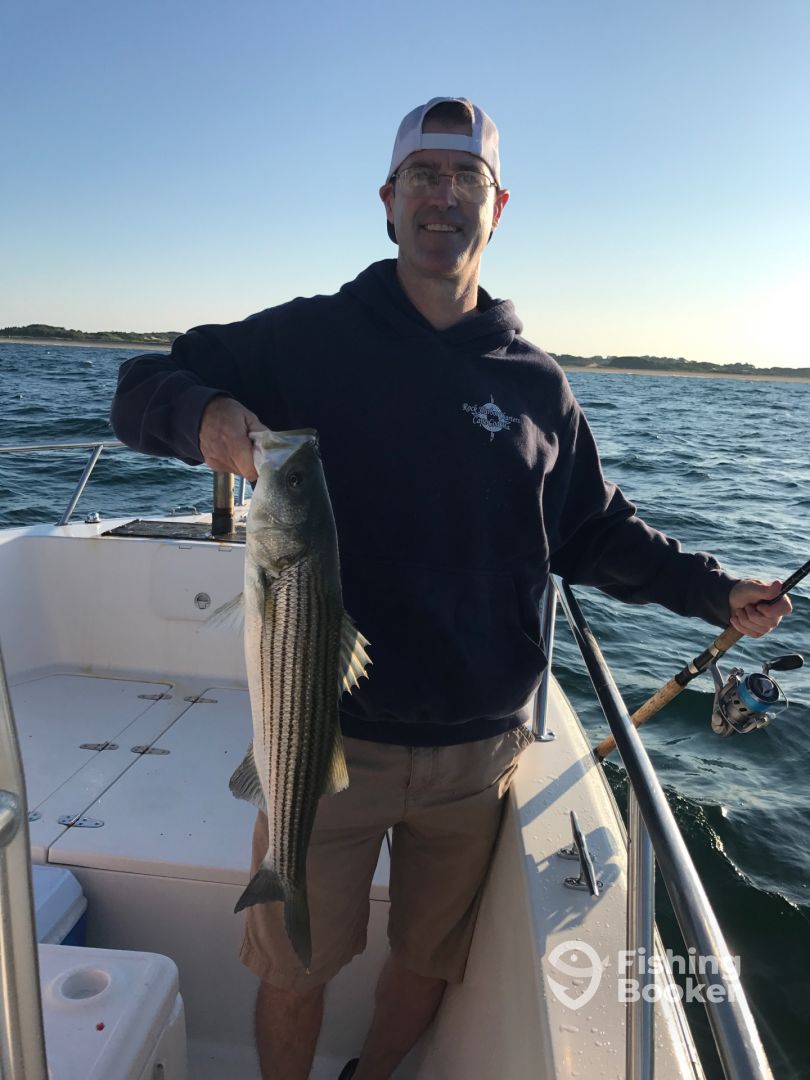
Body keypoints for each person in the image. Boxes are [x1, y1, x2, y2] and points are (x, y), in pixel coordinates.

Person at [111, 97, 791, 1080]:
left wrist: (716, 594)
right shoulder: (306, 340)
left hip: (480, 754)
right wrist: (208, 417)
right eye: (422, 176)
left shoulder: (537, 386)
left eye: (465, 177)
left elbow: (596, 532)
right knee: (294, 965)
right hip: (328, 740)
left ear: (497, 206)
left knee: (428, 961)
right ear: (388, 201)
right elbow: (141, 384)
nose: (442, 196)